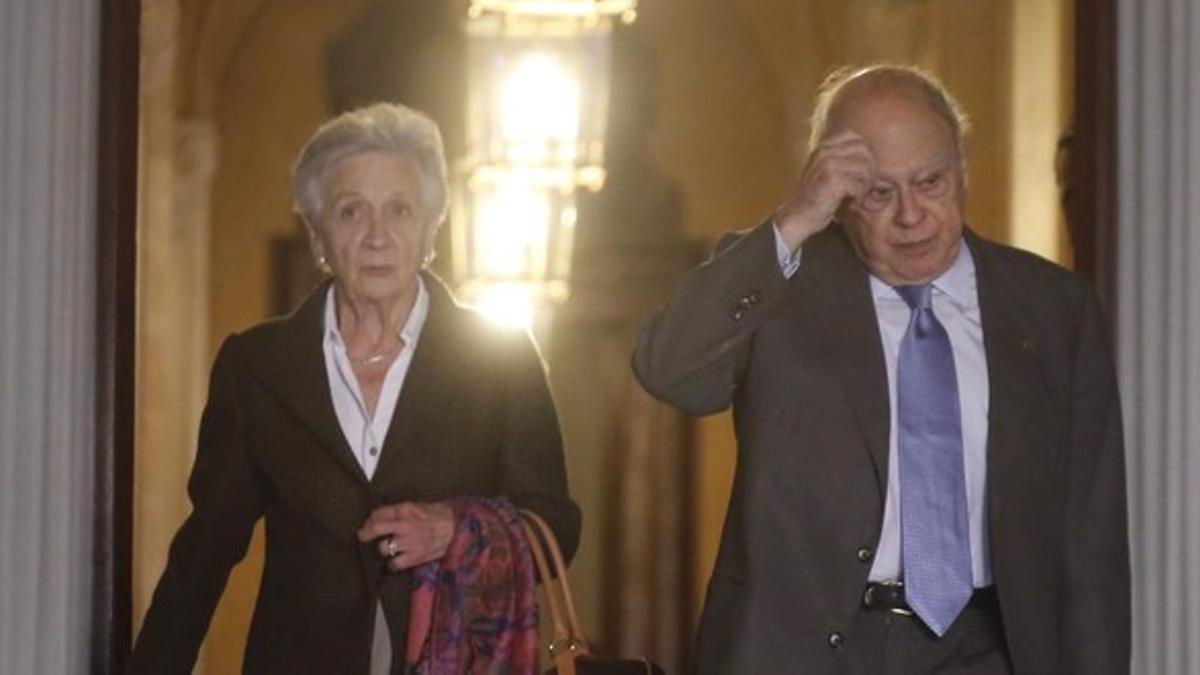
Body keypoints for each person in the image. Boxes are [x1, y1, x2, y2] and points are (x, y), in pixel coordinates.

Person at [633, 65, 1129, 674]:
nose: (911, 215)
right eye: (878, 193)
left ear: (962, 163)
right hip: (807, 653)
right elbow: (668, 370)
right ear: (837, 196)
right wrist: (794, 220)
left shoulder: (1054, 309)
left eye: (930, 181)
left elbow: (1091, 545)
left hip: (993, 651)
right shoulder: (782, 286)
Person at [130, 103, 581, 674]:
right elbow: (204, 552)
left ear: (431, 230)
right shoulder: (258, 367)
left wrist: (452, 529)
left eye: (399, 210)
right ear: (318, 235)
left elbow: (557, 527)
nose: (377, 237)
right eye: (350, 212)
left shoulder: (502, 359)